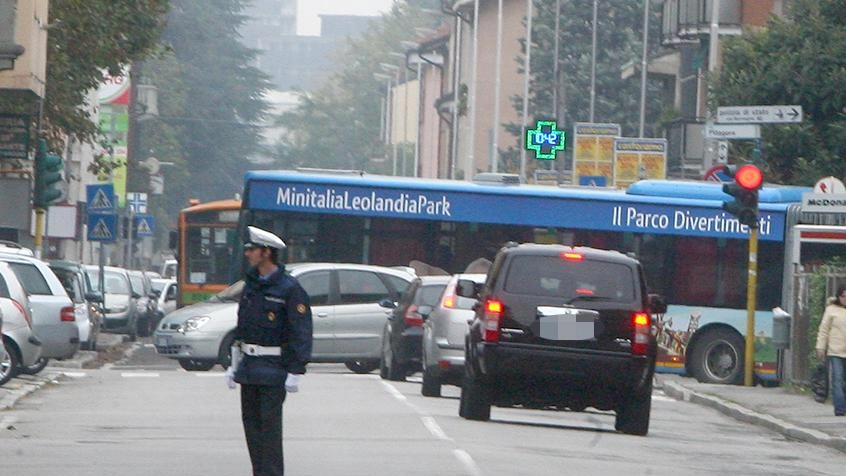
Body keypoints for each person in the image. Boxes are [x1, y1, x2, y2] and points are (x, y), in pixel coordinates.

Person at [225, 226, 313, 475]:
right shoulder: (252, 285)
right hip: (250, 369)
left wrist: (297, 369)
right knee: (252, 431)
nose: (248, 254)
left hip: (274, 370)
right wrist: (234, 364)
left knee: (269, 432)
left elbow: (301, 331)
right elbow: (243, 327)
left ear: (266, 253)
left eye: (251, 250)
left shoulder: (289, 289)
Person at [815, 284, 846, 416]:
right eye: (843, 296)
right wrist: (820, 347)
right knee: (837, 380)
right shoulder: (831, 310)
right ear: (839, 297)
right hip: (836, 351)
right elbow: (824, 330)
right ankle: (840, 408)